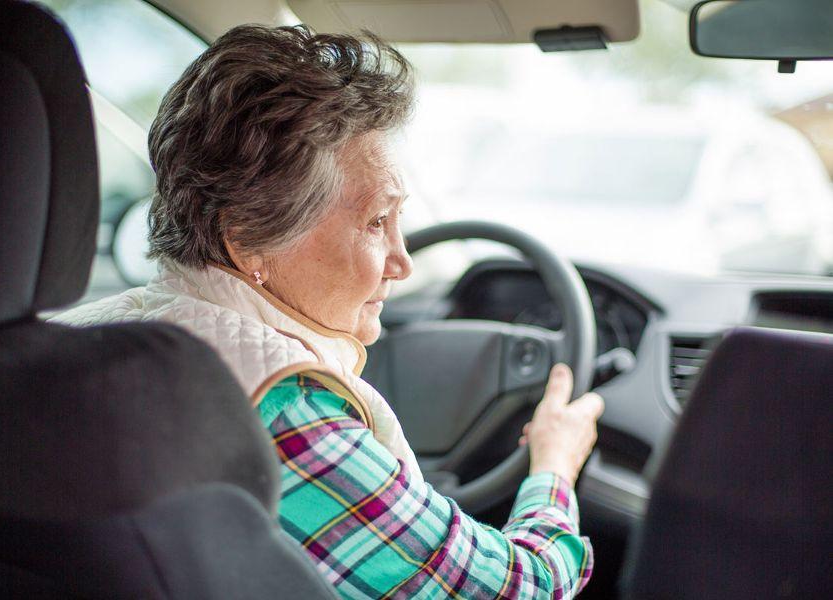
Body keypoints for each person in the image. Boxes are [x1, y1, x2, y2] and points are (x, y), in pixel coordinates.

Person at [55, 24, 604, 598]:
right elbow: (519, 588)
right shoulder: (280, 412)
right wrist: (554, 465)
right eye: (376, 222)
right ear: (249, 240)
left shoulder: (86, 336)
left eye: (399, 221)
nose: (403, 263)